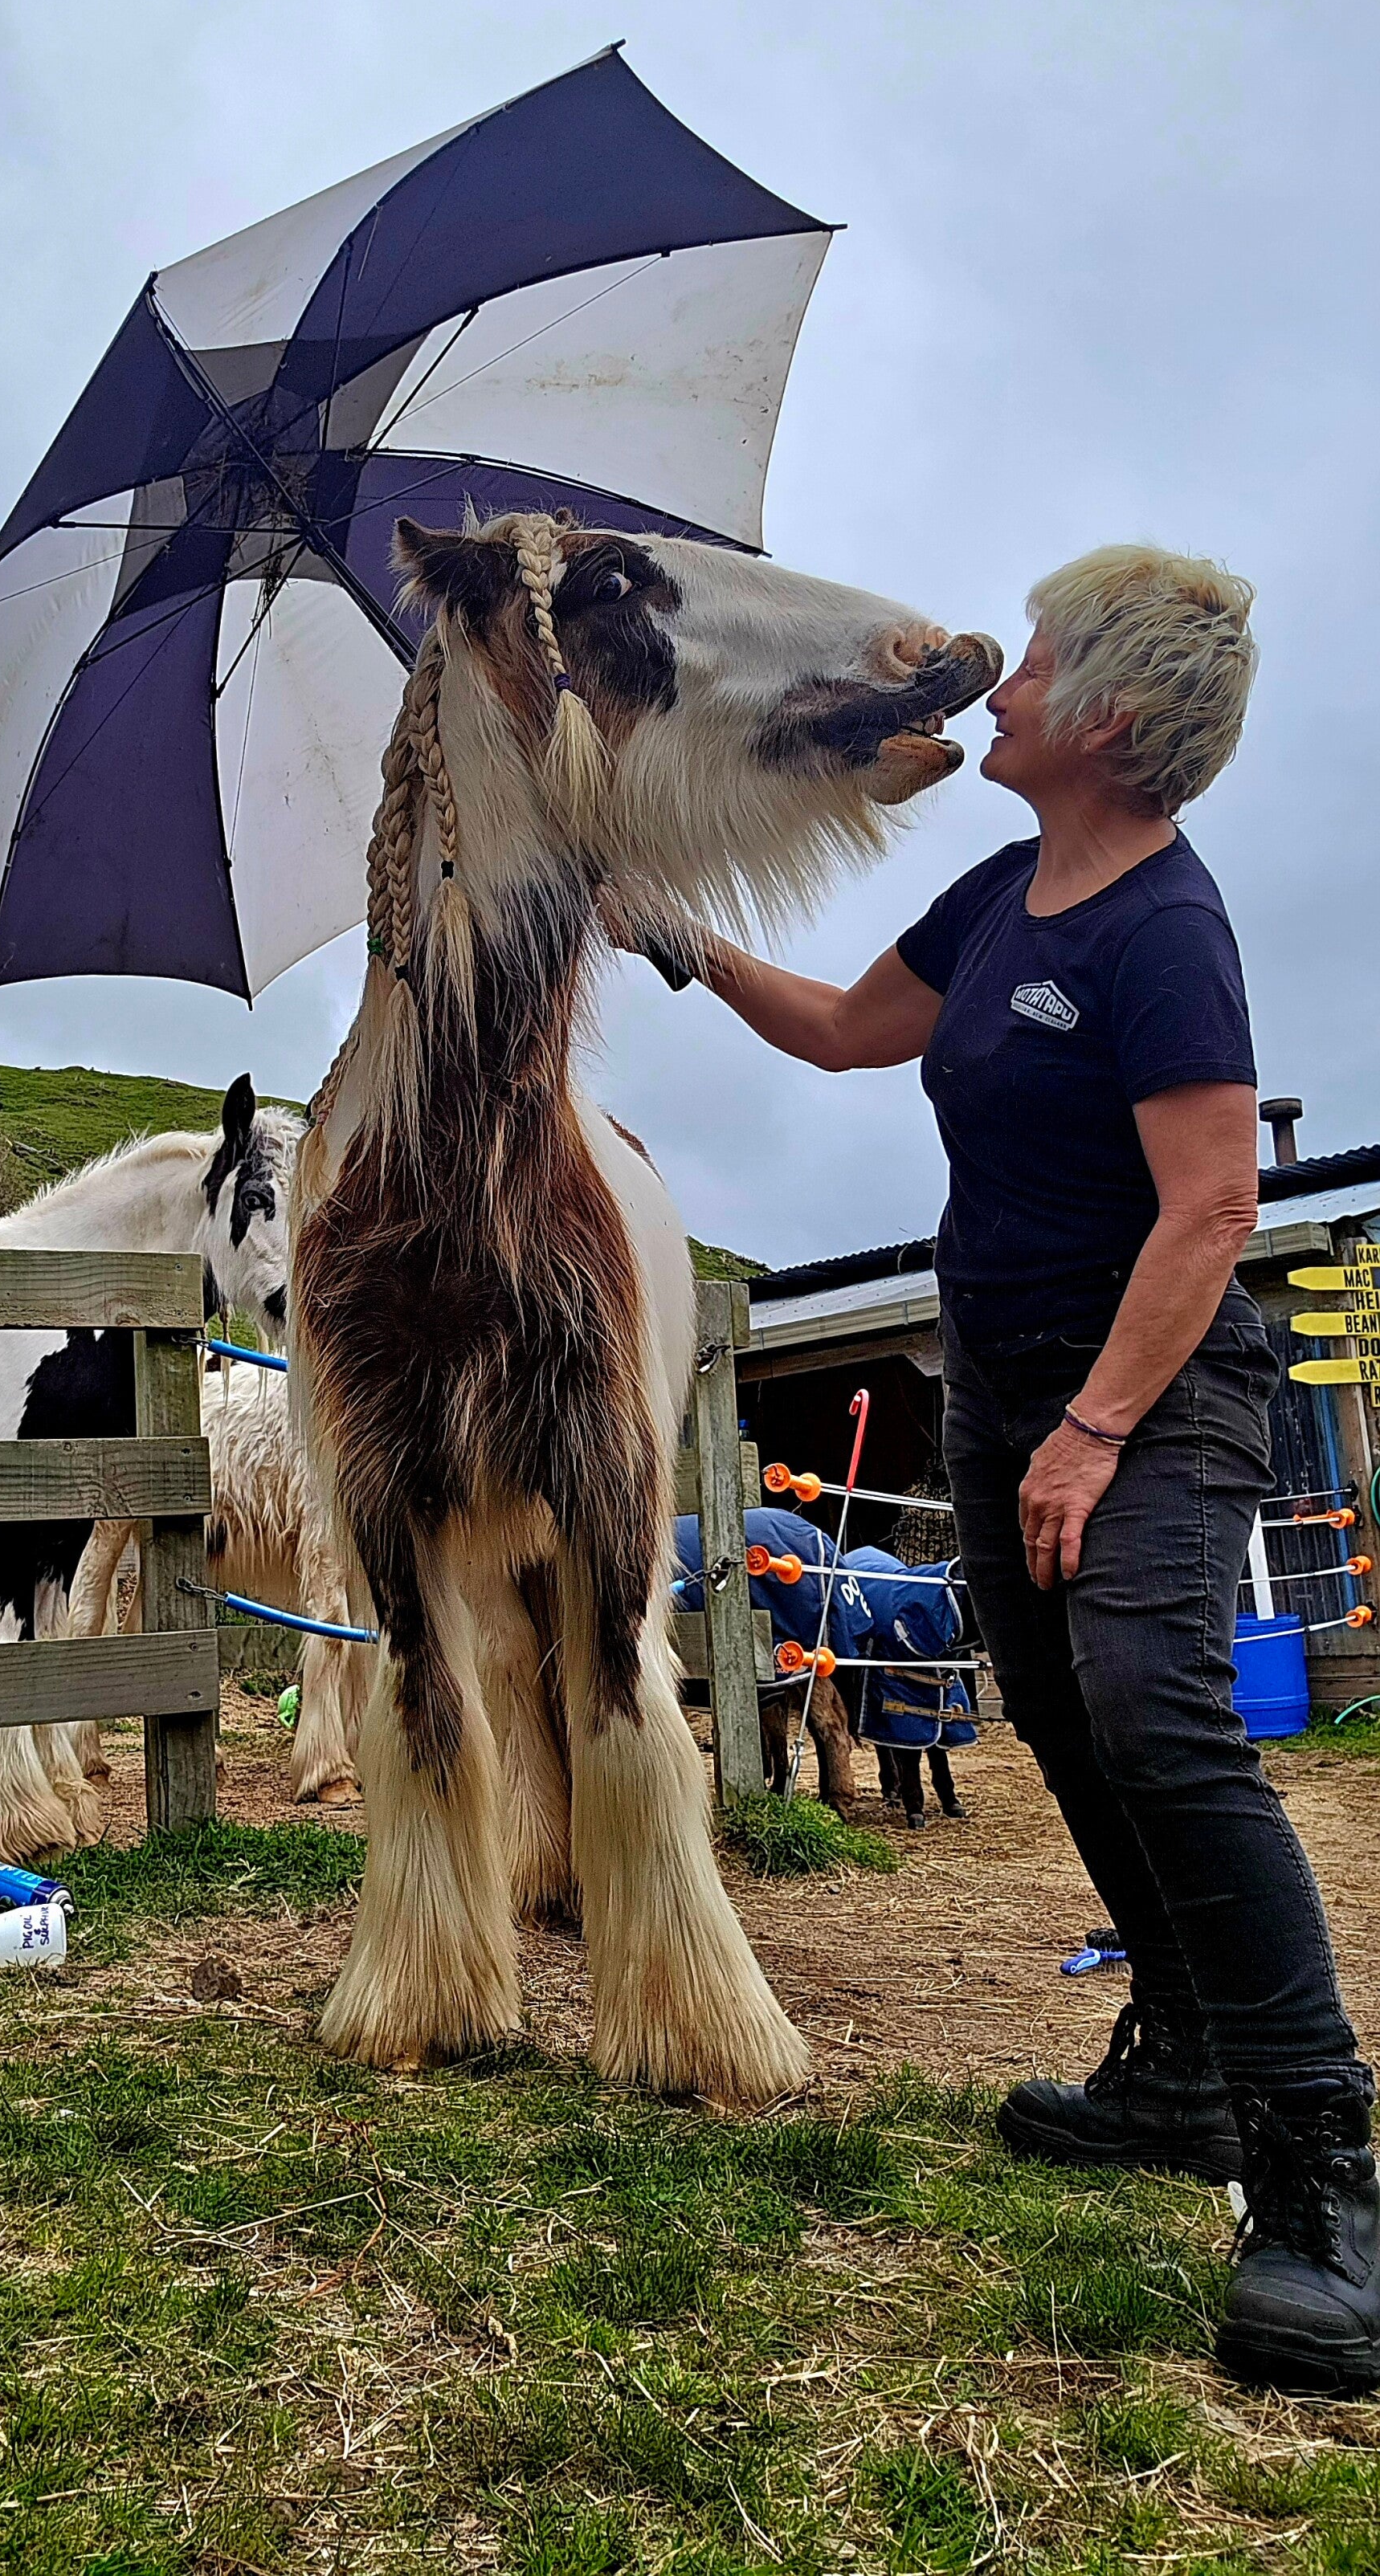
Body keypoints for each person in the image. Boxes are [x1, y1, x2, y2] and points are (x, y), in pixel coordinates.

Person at [623, 547, 1378, 2395]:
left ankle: (1329, 2181)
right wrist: (671, 931)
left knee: (1160, 1713)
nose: (1000, 682)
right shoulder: (1001, 898)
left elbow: (1213, 1206)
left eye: (1036, 661)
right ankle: (1183, 2066)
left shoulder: (1164, 928)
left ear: (1111, 715)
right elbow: (838, 1032)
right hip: (1005, 1387)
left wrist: (1102, 1429)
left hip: (1157, 1391)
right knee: (1050, 1706)